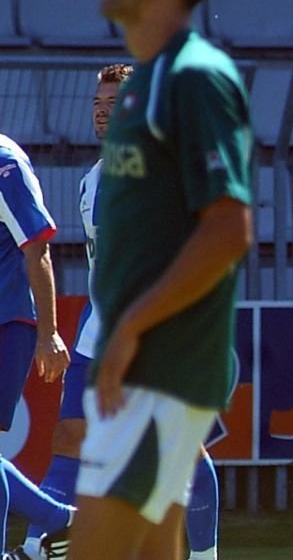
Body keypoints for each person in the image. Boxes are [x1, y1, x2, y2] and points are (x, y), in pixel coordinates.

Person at [74, 0, 253, 560]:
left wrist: (128, 328)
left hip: (162, 366)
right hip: (144, 366)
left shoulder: (195, 79)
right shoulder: (141, 87)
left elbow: (228, 229)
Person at [20, 64, 222, 560]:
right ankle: (36, 548)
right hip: (99, 333)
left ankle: (204, 555)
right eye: (97, 104)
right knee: (69, 435)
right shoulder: (93, 179)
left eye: (115, 103)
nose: (103, 112)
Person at [0, 134, 76, 559]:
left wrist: (49, 333)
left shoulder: (4, 163)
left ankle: (61, 519)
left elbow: (38, 248)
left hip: (6, 319)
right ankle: (61, 520)